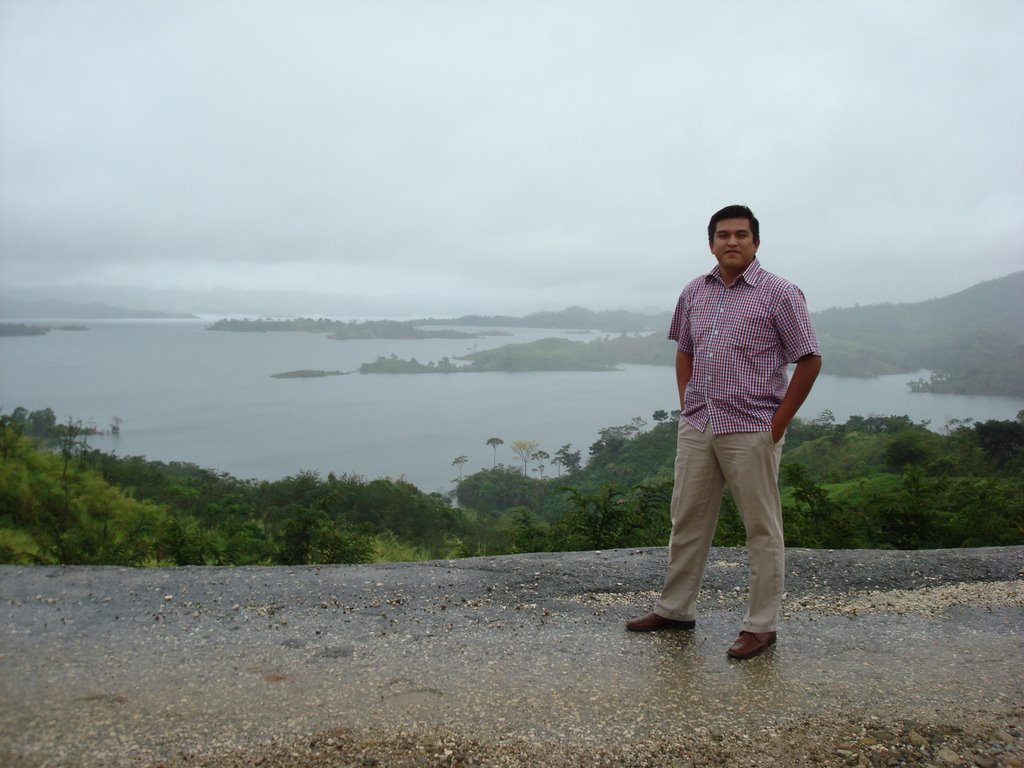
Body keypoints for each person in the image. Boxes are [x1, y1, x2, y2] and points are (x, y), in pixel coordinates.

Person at [626, 204, 822, 660]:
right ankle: (675, 609)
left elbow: (809, 359)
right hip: (699, 424)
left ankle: (761, 625)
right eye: (722, 235)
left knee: (761, 529)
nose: (731, 241)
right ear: (711, 242)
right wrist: (687, 403)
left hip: (752, 427)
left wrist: (778, 423)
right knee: (687, 521)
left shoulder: (780, 294)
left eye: (741, 234)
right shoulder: (696, 291)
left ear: (756, 241)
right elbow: (685, 350)